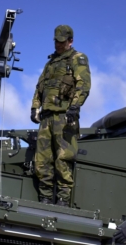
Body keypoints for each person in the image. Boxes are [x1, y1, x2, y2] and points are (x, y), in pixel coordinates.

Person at [30, 25, 91, 207]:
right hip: (47, 118)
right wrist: (35, 107)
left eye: (62, 41)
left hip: (65, 117)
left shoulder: (77, 58)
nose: (58, 44)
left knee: (63, 160)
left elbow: (84, 84)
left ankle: (63, 200)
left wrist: (74, 107)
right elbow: (40, 87)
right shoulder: (50, 63)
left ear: (70, 41)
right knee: (42, 161)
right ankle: (45, 198)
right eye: (56, 40)